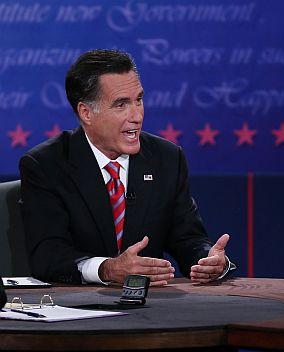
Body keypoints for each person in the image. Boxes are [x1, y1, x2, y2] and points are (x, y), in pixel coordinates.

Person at [20, 49, 234, 286]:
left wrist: (207, 260)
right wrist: (107, 269)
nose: (137, 115)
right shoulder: (46, 165)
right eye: (121, 104)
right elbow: (47, 254)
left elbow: (187, 238)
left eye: (139, 100)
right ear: (86, 113)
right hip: (75, 307)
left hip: (151, 307)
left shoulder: (167, 159)